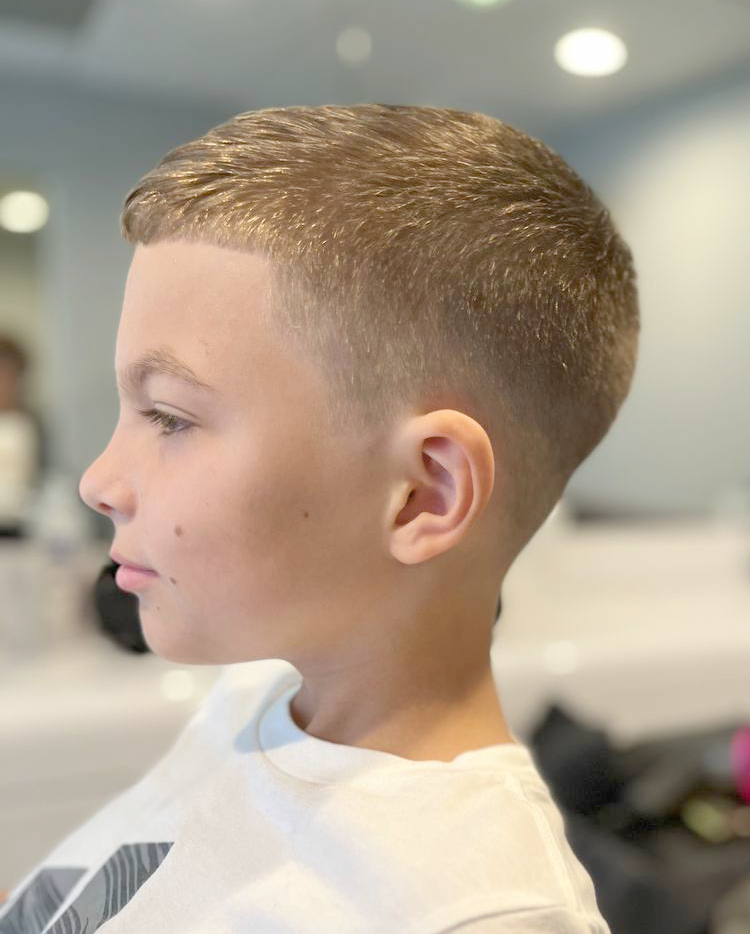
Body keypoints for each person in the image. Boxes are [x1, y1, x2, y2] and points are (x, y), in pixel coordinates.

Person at [0, 104, 639, 933]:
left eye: (170, 418)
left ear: (423, 493)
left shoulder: (476, 912)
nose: (98, 482)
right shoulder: (252, 704)